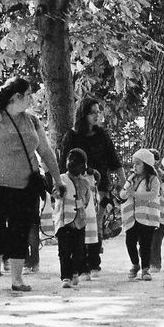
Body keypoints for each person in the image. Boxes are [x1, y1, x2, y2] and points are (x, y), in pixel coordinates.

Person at [0, 77, 61, 292]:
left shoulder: (33, 121)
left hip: (26, 185)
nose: (31, 99)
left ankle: (17, 279)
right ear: (16, 97)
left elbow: (45, 151)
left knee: (20, 230)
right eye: (28, 95)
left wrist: (58, 179)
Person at [58, 97, 124, 276]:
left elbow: (113, 158)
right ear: (84, 114)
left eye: (98, 112)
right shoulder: (72, 135)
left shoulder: (101, 134)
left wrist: (121, 178)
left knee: (96, 223)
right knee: (80, 223)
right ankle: (81, 264)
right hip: (77, 186)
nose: (96, 116)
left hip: (99, 185)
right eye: (92, 112)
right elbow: (64, 162)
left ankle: (94, 261)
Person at [55, 149, 97, 289]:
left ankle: (74, 271)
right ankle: (65, 277)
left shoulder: (85, 182)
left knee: (79, 251)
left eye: (77, 162)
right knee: (64, 251)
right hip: (64, 222)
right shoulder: (61, 179)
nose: (72, 163)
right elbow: (56, 193)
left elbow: (86, 199)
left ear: (83, 166)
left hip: (79, 222)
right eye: (70, 160)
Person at [120, 148, 161, 281]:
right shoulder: (132, 178)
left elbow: (153, 194)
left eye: (138, 163)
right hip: (131, 218)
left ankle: (145, 269)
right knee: (129, 242)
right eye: (134, 164)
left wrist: (135, 194)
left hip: (147, 218)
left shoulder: (153, 179)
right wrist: (126, 192)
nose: (134, 166)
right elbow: (123, 193)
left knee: (145, 244)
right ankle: (135, 263)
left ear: (146, 164)